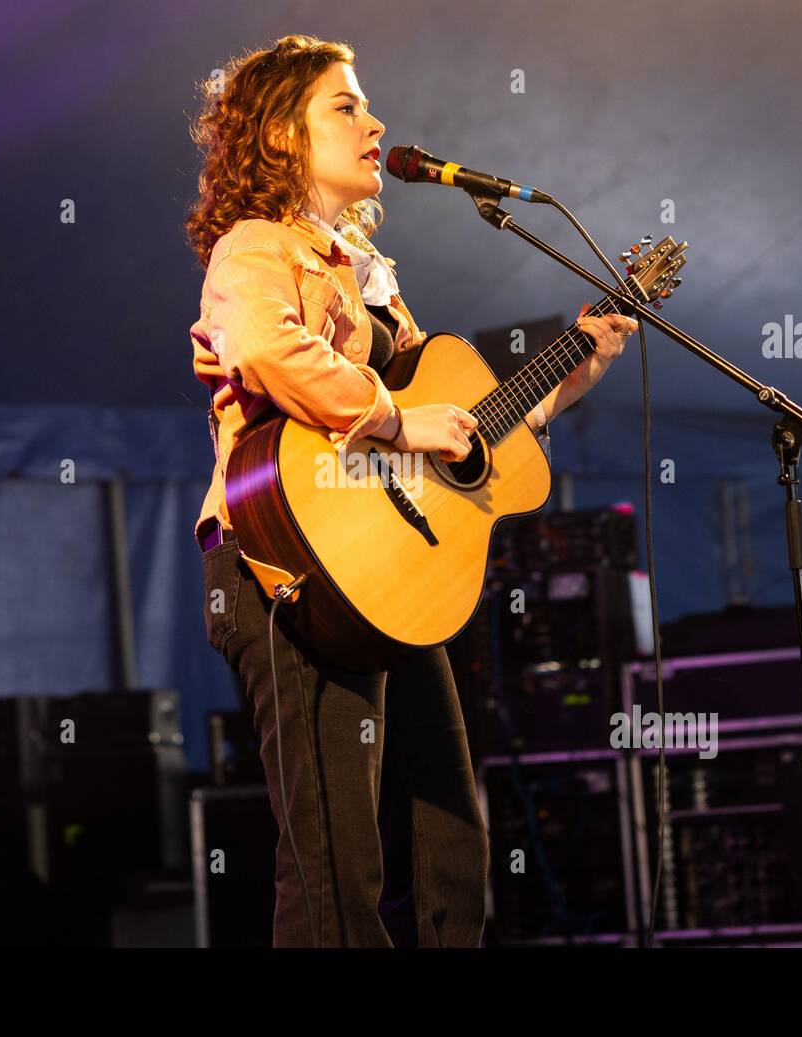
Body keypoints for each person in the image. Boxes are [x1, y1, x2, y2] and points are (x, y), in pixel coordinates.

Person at [184, 34, 637, 948]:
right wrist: (393, 418)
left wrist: (561, 382)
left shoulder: (370, 277)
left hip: (386, 576)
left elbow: (453, 424)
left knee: (451, 840)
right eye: (345, 107)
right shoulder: (255, 248)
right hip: (289, 570)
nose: (375, 122)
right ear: (279, 134)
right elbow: (270, 350)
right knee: (335, 864)